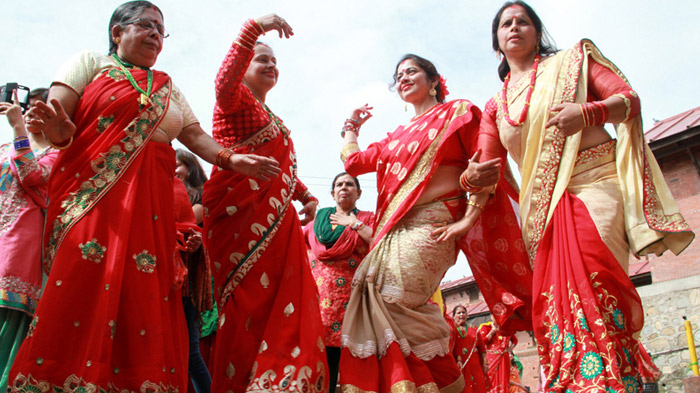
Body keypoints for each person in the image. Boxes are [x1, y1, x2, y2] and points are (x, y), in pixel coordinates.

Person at [7, 2, 278, 391]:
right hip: (95, 205)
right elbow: (61, 128)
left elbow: (196, 137)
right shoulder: (89, 63)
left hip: (151, 216)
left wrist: (234, 159)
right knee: (84, 286)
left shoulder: (168, 86)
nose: (155, 35)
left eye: (161, 31)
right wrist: (55, 128)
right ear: (117, 32)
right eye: (146, 25)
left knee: (142, 298)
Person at [465, 1, 694, 391]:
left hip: (596, 183)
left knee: (595, 273)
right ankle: (575, 382)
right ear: (497, 42)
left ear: (538, 33)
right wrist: (472, 178)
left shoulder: (573, 63)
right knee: (553, 299)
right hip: (542, 211)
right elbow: (485, 168)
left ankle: (614, 379)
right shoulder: (495, 105)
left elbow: (628, 101)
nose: (515, 27)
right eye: (506, 24)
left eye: (524, 21)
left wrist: (587, 113)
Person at [336, 53, 528, 393]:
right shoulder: (395, 136)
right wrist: (351, 127)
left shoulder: (458, 114)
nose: (404, 78)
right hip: (393, 231)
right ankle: (437, 384)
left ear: (434, 80)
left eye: (412, 71)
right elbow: (352, 162)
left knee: (391, 300)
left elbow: (487, 165)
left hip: (434, 225)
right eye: (398, 76)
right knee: (380, 301)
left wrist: (467, 220)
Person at [202, 14, 327, 392]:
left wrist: (304, 194)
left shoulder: (271, 116)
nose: (271, 65)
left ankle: (276, 380)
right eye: (262, 59)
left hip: (277, 225)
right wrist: (252, 28)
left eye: (275, 61)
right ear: (243, 66)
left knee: (278, 302)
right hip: (239, 224)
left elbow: (278, 167)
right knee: (245, 304)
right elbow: (223, 82)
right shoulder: (235, 102)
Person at [0, 89, 56, 391]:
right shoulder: (4, 148)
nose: (34, 113)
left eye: (42, 109)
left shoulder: (58, 154)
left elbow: (32, 177)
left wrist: (19, 127)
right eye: (30, 107)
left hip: (23, 244)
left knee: (9, 320)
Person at [303, 172, 375, 393]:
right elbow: (295, 242)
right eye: (339, 185)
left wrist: (354, 224)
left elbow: (380, 242)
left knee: (354, 361)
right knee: (322, 362)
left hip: (353, 303)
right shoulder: (317, 222)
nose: (344, 188)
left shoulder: (367, 218)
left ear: (359, 193)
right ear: (332, 193)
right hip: (318, 303)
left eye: (350, 184)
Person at [174, 149, 212, 393]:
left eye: (179, 165)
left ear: (191, 168)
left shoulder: (202, 196)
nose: (175, 170)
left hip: (187, 275)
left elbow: (187, 222)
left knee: (190, 349)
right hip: (164, 270)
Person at [451, 305, 487, 393]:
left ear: (467, 315)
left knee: (478, 385)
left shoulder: (474, 329)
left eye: (463, 312)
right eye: (458, 313)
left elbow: (482, 348)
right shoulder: (452, 330)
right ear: (454, 317)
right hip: (459, 365)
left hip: (475, 364)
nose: (461, 315)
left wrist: (485, 363)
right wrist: (458, 359)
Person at [479, 322, 517, 393]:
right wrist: (492, 331)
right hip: (492, 359)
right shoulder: (486, 327)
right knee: (490, 379)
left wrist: (509, 349)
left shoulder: (507, 327)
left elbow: (515, 340)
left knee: (503, 380)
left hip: (504, 358)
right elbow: (482, 342)